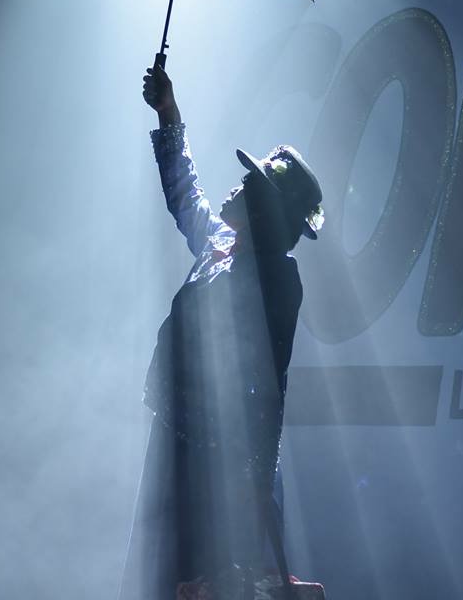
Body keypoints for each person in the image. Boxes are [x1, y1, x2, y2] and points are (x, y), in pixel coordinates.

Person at [118, 62, 324, 600]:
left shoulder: (276, 281)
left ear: (265, 210)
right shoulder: (222, 248)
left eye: (249, 183)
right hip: (177, 448)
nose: (236, 185)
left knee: (201, 582)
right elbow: (186, 196)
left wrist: (246, 502)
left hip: (219, 470)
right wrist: (168, 112)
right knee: (158, 578)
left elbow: (266, 397)